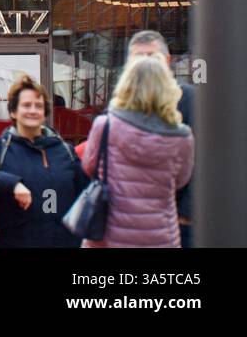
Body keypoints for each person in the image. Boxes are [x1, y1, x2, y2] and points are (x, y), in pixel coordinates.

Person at [81, 54, 193, 248]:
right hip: (161, 235)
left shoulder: (105, 125)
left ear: (126, 85)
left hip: (111, 233)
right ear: (167, 88)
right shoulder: (182, 136)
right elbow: (182, 179)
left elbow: (89, 166)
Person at [0, 74, 85, 247]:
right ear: (13, 111)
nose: (33, 110)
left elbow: (86, 190)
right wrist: (12, 183)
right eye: (26, 105)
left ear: (45, 112)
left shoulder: (65, 151)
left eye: (38, 106)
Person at [128, 29, 195, 247]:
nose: (145, 64)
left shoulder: (190, 100)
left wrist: (186, 215)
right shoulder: (123, 106)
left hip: (178, 223)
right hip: (135, 223)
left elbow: (206, 160)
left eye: (151, 57)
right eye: (138, 58)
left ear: (167, 61)